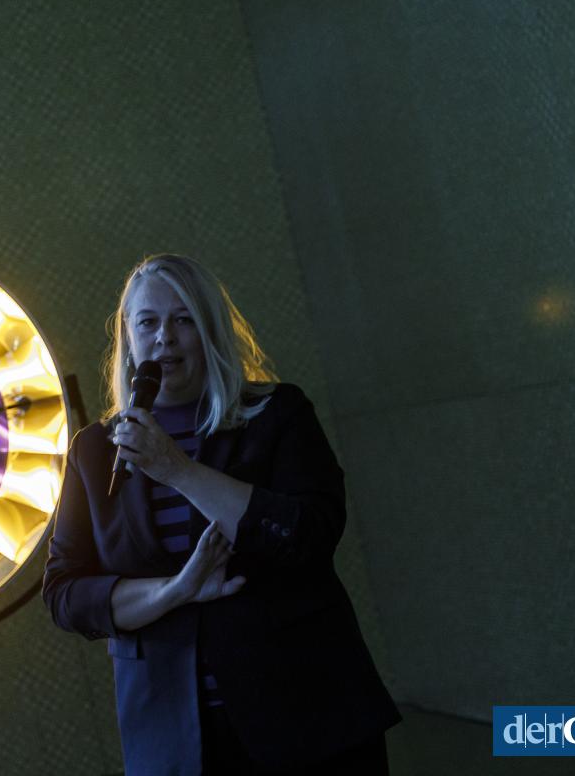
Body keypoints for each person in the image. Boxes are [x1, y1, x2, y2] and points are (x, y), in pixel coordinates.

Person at [42, 254, 400, 775]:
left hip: (306, 717)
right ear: (129, 339)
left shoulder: (277, 415)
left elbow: (310, 535)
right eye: (148, 322)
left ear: (210, 329)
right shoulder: (94, 450)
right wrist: (175, 591)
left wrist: (177, 470)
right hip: (172, 739)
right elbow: (64, 594)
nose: (165, 337)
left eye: (184, 319)